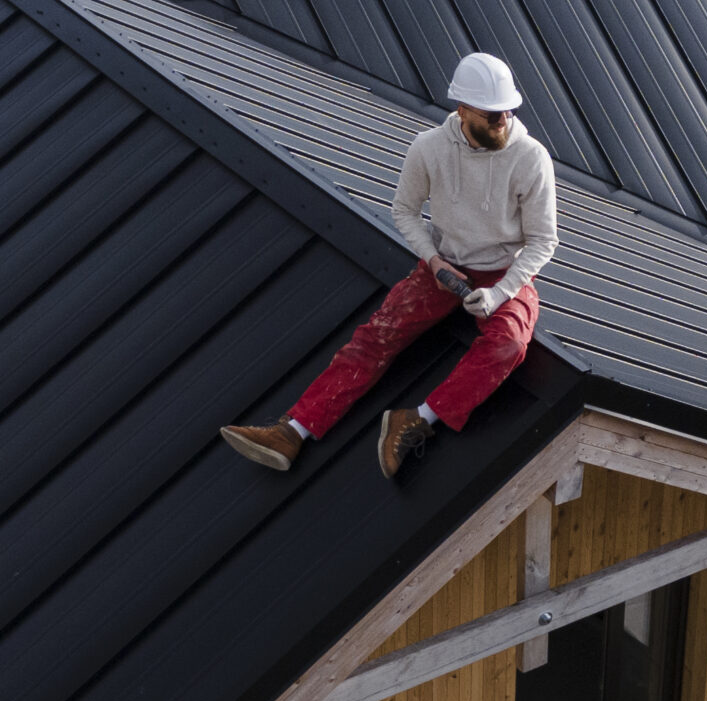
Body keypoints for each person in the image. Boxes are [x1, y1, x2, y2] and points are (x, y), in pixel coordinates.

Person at [220, 52, 558, 480]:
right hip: (443, 264)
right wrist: (433, 262)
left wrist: (500, 292)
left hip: (503, 273)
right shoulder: (428, 149)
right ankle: (293, 431)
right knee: (376, 336)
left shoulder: (531, 158)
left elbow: (544, 241)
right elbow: (404, 211)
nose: (503, 121)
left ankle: (417, 420)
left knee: (508, 345)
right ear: (462, 109)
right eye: (492, 115)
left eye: (507, 111)